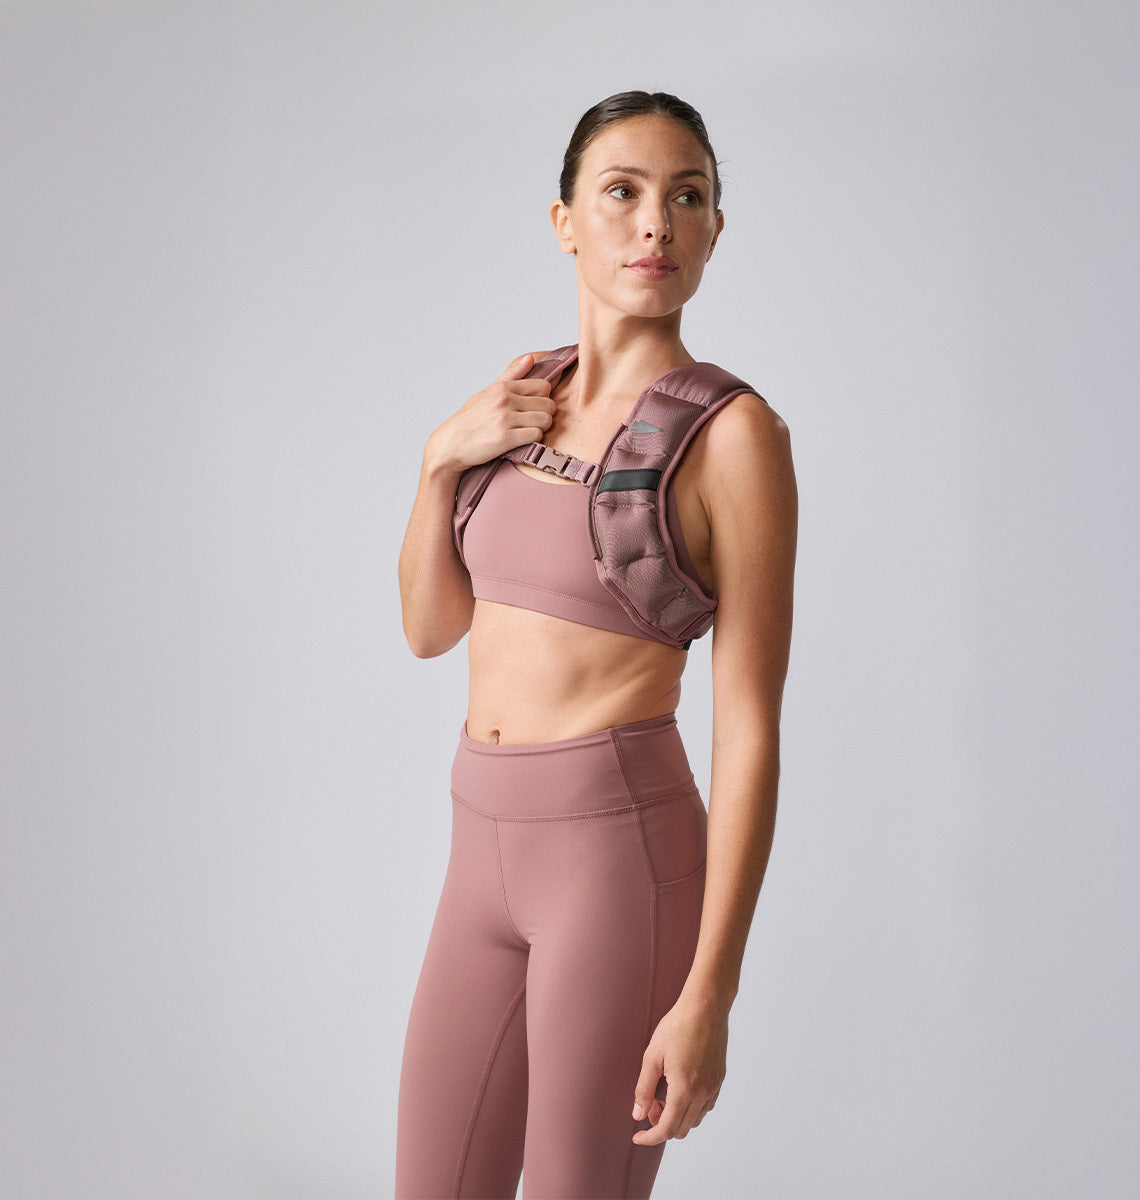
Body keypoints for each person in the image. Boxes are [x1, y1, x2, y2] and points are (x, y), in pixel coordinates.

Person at [394, 90, 797, 1200]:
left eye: (688, 197)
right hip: (477, 853)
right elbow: (429, 629)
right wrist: (438, 460)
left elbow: (749, 731)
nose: (656, 222)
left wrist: (710, 994)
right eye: (623, 192)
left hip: (617, 868)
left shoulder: (735, 436)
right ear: (565, 220)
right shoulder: (520, 398)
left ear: (715, 229)